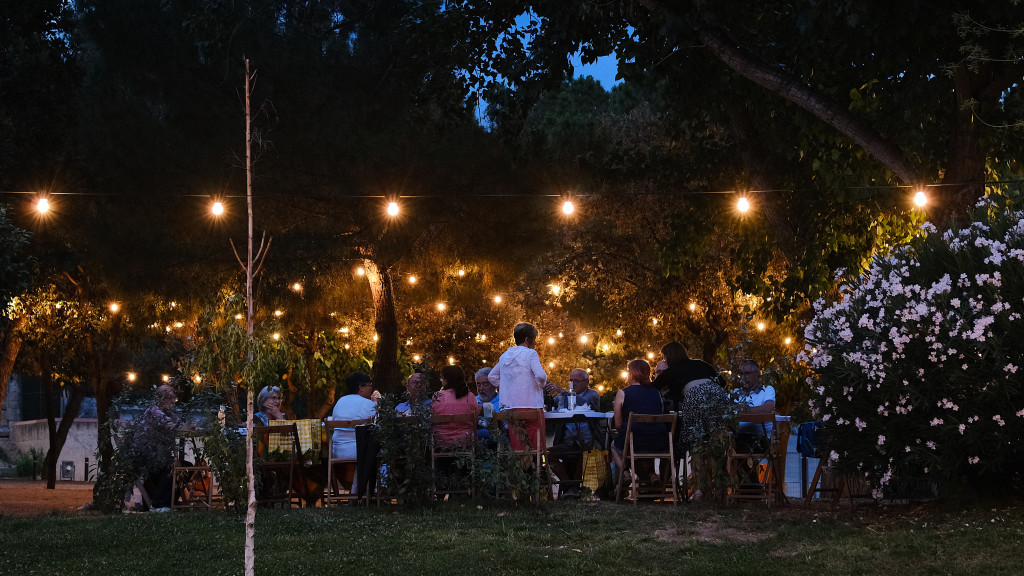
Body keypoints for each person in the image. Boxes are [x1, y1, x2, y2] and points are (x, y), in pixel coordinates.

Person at [487, 323, 561, 450]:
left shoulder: (504, 356)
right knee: (537, 446)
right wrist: (541, 386)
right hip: (531, 406)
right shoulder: (530, 354)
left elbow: (491, 377)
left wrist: (507, 385)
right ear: (527, 339)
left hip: (510, 408)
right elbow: (541, 376)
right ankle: (538, 468)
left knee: (519, 446)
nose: (536, 343)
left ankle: (521, 469)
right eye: (534, 339)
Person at [611, 359, 668, 481]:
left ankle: (625, 473)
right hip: (659, 443)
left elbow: (618, 424)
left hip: (635, 442)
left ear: (631, 374)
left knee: (614, 446)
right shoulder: (656, 393)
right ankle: (650, 475)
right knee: (641, 445)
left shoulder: (623, 393)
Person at [549, 369, 602, 498]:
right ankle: (570, 486)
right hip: (567, 442)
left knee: (584, 453)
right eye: (571, 380)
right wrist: (546, 393)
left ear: (586, 382)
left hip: (587, 441)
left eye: (576, 380)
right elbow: (550, 404)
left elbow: (586, 403)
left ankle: (572, 488)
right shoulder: (561, 397)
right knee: (547, 455)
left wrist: (563, 391)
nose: (573, 383)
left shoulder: (592, 395)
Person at [133, 384, 186, 511]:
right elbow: (172, 426)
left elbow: (180, 424)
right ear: (161, 398)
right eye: (169, 397)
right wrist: (184, 426)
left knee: (184, 465)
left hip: (157, 455)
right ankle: (159, 504)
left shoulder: (167, 412)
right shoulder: (154, 411)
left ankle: (168, 501)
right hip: (146, 455)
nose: (172, 401)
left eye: (173, 398)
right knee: (175, 466)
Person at [653, 341, 719, 413]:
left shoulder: (671, 371)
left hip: (697, 408)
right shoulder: (701, 364)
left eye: (664, 357)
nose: (664, 361)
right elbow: (721, 381)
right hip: (719, 401)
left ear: (669, 357)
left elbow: (654, 386)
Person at [432, 365, 481, 449]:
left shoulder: (437, 396)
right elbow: (475, 420)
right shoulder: (470, 396)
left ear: (446, 379)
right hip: (466, 440)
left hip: (441, 441)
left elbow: (432, 419)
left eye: (442, 378)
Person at [330, 372, 377, 459]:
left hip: (337, 452)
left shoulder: (340, 401)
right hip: (360, 452)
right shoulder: (368, 404)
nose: (371, 388)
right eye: (369, 385)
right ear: (361, 387)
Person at [733, 359, 776, 452]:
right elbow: (725, 409)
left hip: (760, 438)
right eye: (741, 373)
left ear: (756, 374)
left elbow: (769, 408)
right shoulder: (736, 393)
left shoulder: (767, 390)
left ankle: (742, 464)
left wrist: (744, 411)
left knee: (739, 443)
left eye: (747, 373)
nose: (743, 377)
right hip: (737, 437)